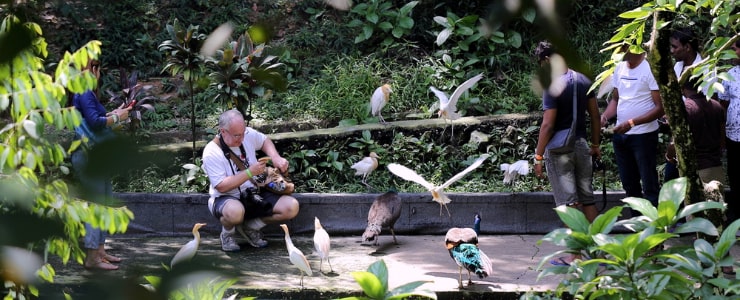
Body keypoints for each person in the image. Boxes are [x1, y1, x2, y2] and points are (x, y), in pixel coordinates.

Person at [532, 41, 601, 266]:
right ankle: (598, 255)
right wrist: (596, 145)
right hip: (581, 145)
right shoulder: (583, 80)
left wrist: (538, 156)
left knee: (569, 203)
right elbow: (595, 115)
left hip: (560, 149)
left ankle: (575, 257)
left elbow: (547, 125)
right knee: (587, 199)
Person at [202, 109, 299, 252]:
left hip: (253, 192)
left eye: (243, 133)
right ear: (223, 132)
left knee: (291, 207)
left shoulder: (246, 134)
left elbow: (264, 140)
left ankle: (251, 227)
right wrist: (249, 172)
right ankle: (228, 233)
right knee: (235, 212)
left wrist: (276, 157)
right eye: (236, 135)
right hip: (226, 198)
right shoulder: (211, 152)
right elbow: (222, 186)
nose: (241, 138)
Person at [71, 59, 132, 270]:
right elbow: (96, 124)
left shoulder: (86, 93)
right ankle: (92, 257)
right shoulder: (85, 92)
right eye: (97, 68)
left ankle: (100, 251)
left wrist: (115, 114)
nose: (98, 73)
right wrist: (116, 119)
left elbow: (94, 119)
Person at [600, 43, 664, 211]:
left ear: (635, 48)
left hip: (643, 135)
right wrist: (605, 116)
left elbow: (660, 108)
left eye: (624, 47)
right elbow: (616, 99)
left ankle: (654, 228)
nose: (620, 51)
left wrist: (632, 123)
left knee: (648, 182)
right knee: (629, 184)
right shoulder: (620, 68)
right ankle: (637, 227)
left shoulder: (649, 69)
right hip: (620, 135)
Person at [664, 27, 704, 182]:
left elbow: (709, 103)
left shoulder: (704, 69)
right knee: (672, 178)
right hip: (678, 132)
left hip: (698, 135)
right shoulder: (677, 67)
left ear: (687, 47)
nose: (672, 51)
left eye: (675, 46)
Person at [718, 39, 740, 223]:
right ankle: (736, 214)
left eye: (735, 48)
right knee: (735, 173)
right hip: (734, 135)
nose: (732, 52)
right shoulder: (729, 75)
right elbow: (723, 104)